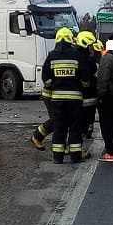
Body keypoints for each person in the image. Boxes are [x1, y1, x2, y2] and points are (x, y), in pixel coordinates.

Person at [41, 26, 88, 163]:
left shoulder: (52, 55)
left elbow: (46, 78)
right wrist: (80, 85)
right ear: (70, 39)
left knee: (59, 128)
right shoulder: (77, 55)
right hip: (75, 100)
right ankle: (75, 156)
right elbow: (85, 79)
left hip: (57, 100)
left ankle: (58, 157)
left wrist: (54, 84)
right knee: (75, 128)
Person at [75, 31, 100, 141]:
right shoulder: (88, 60)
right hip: (88, 94)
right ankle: (85, 131)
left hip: (75, 95)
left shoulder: (73, 55)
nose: (92, 48)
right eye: (90, 45)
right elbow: (92, 75)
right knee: (87, 115)